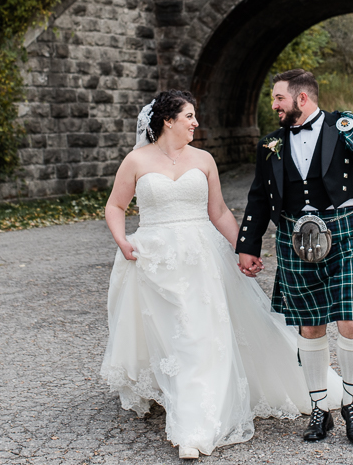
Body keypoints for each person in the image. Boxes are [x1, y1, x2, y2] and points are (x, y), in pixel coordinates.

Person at [99, 89, 337, 460]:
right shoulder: (136, 160)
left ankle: (195, 426)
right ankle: (184, 404)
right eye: (190, 117)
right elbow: (115, 206)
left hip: (202, 258)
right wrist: (121, 240)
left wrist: (246, 248)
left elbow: (220, 212)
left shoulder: (204, 159)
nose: (196, 123)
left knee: (201, 334)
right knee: (174, 336)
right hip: (154, 258)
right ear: (168, 121)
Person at [237, 69, 353, 446]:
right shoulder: (271, 145)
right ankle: (319, 409)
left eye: (279, 98)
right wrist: (247, 245)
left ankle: (351, 403)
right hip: (296, 238)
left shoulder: (349, 128)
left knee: (350, 320)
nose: (274, 106)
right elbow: (259, 197)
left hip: (347, 232)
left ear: (301, 98)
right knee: (310, 326)